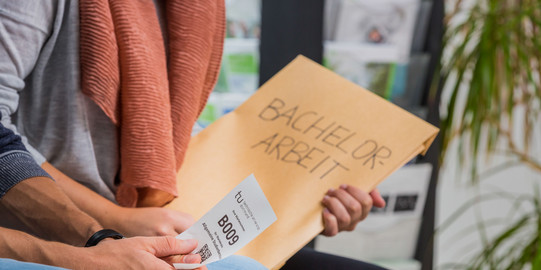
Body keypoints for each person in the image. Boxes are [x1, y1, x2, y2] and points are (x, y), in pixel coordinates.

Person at [0, 0, 386, 269]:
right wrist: (111, 224)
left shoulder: (195, 10)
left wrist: (312, 202)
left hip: (159, 226)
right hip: (68, 232)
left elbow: (172, 139)